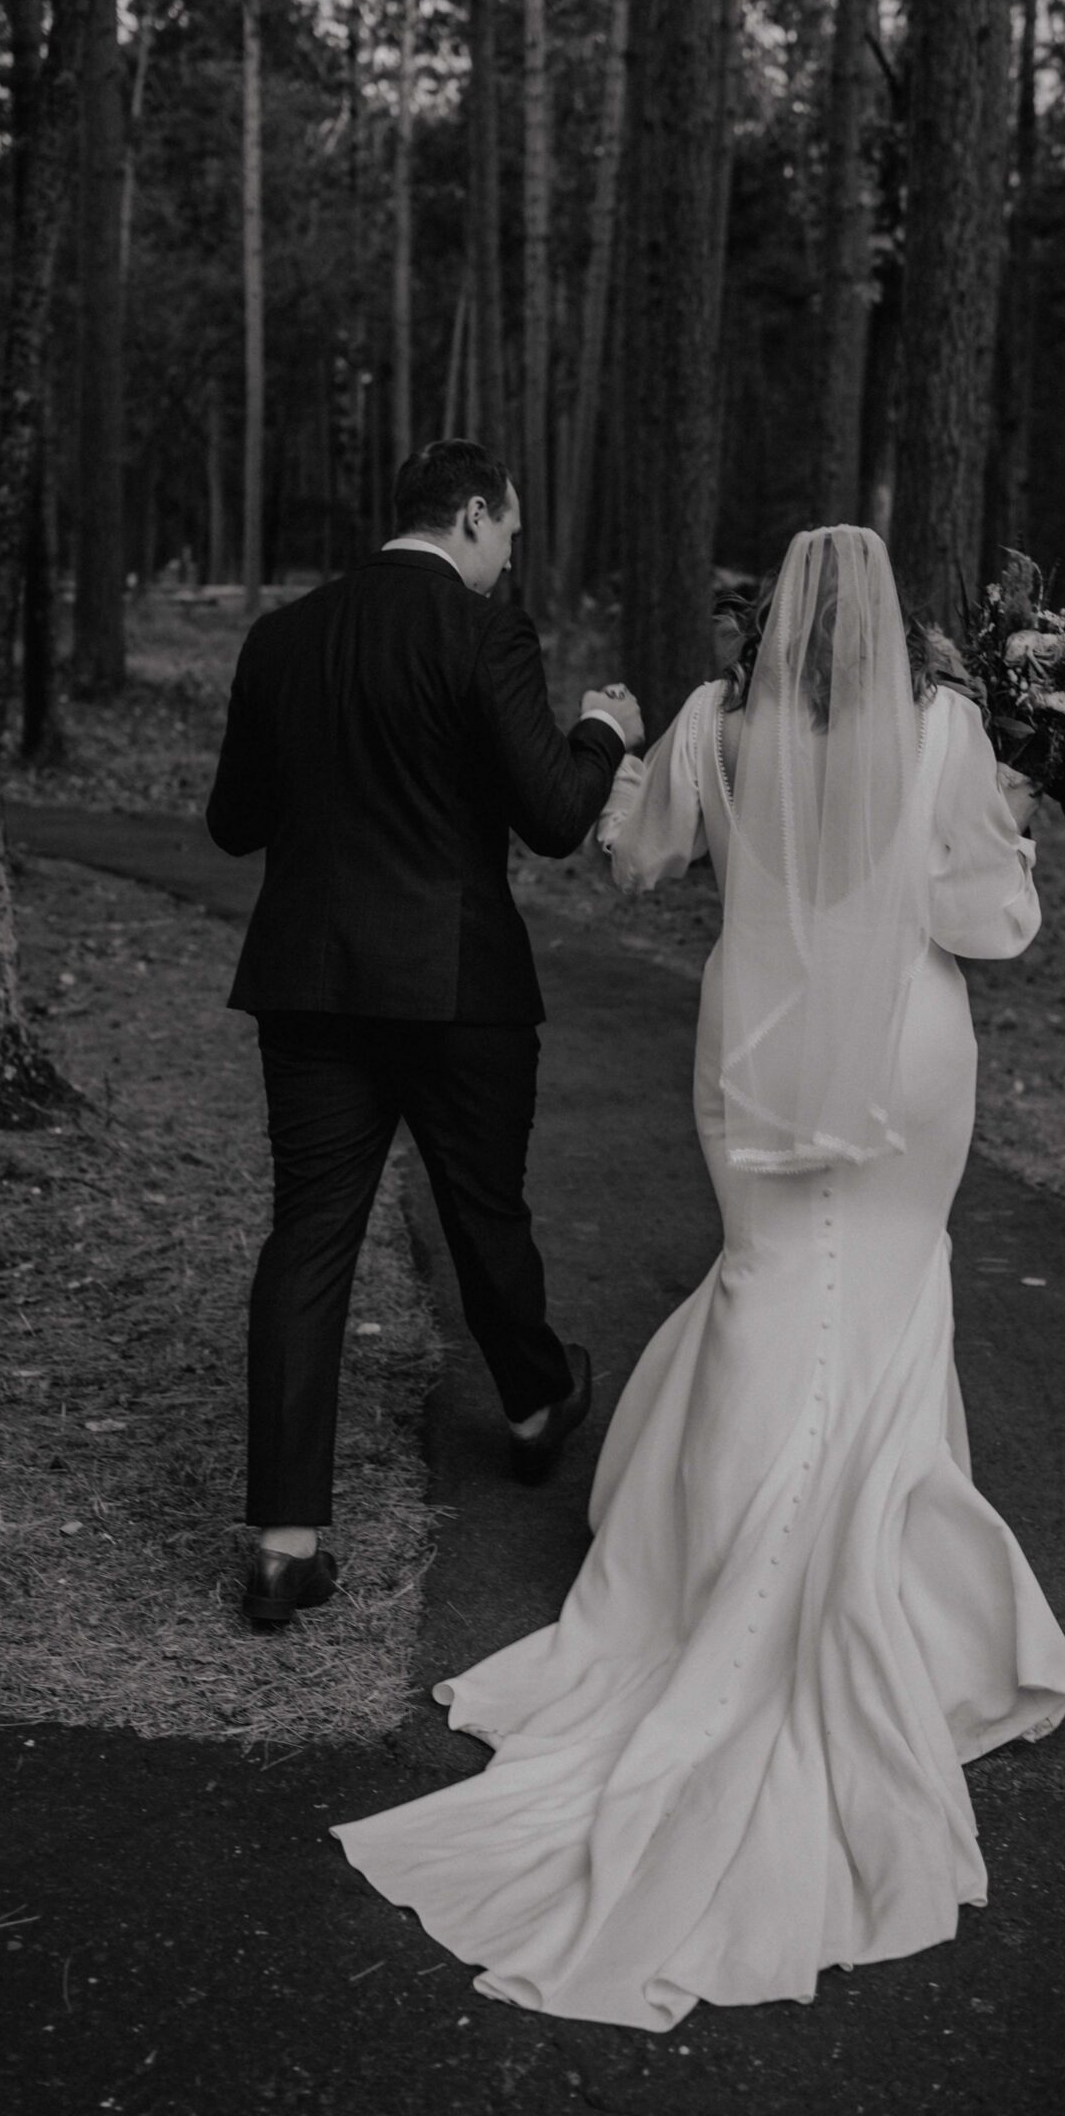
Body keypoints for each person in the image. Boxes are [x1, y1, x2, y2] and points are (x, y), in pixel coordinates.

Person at [334, 525, 1065, 2028]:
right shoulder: (940, 730)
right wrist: (1005, 818)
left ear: (770, 624)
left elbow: (624, 857)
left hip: (748, 1045)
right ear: (883, 627)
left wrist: (652, 773)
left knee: (763, 1292)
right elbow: (988, 923)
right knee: (878, 1300)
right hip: (902, 1060)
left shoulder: (715, 724)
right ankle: (880, 1596)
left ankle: (708, 1582)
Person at [206, 438, 644, 1632]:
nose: (507, 559)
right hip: (455, 984)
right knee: (482, 1206)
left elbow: (233, 821)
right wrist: (602, 728)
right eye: (505, 534)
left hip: (308, 983)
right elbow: (555, 813)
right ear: (468, 515)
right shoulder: (478, 632)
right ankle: (533, 1406)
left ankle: (285, 1542)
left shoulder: (283, 638)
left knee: (308, 1235)